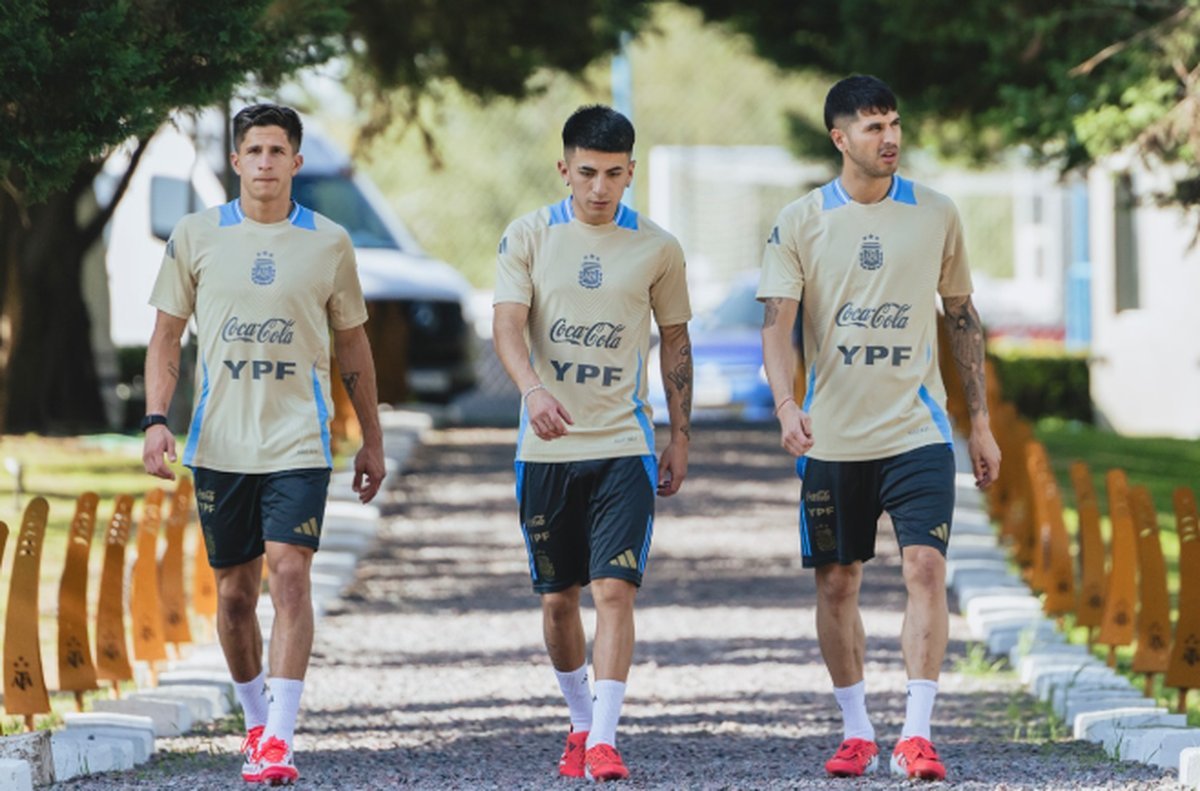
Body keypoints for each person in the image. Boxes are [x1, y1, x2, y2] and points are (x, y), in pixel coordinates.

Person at [757, 75, 1001, 782]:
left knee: (925, 567)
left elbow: (962, 316)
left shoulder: (937, 213)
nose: (889, 137)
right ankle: (858, 728)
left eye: (894, 123)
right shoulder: (801, 220)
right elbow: (776, 325)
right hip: (832, 435)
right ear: (839, 138)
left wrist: (977, 422)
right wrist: (785, 404)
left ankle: (918, 734)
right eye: (872, 127)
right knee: (837, 583)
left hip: (917, 430)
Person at [142, 102, 386, 786]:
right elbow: (165, 337)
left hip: (299, 442)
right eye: (254, 151)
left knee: (291, 572)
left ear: (296, 163)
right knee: (234, 597)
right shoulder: (195, 235)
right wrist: (156, 419)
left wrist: (372, 438)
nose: (266, 163)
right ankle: (255, 716)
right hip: (220, 444)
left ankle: (279, 738)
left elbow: (353, 344)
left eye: (278, 151)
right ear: (237, 160)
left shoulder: (329, 242)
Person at [493, 104, 693, 782]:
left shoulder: (659, 247)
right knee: (559, 600)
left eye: (614, 174)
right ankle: (579, 717)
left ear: (631, 172)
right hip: (546, 448)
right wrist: (532, 390)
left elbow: (676, 341)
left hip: (623, 444)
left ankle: (604, 739)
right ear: (564, 169)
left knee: (614, 588)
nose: (600, 187)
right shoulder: (528, 235)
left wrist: (679, 434)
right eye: (587, 173)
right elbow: (507, 327)